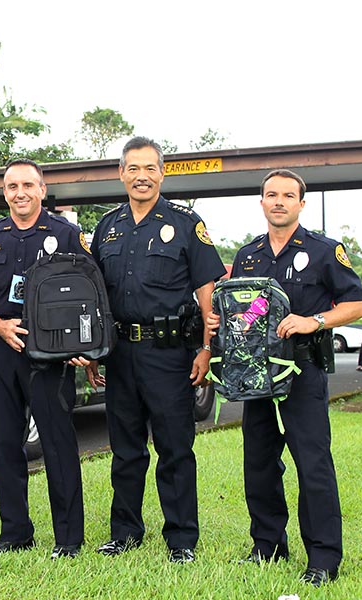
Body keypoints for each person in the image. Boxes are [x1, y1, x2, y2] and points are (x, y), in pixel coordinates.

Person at [207, 169, 362, 586]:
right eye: (271, 194)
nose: (279, 201)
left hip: (303, 372)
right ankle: (268, 546)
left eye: (288, 195)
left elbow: (357, 305)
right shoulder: (249, 254)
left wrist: (314, 320)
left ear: (301, 203)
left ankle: (324, 558)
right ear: (261, 202)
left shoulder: (324, 250)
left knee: (313, 466)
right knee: (259, 464)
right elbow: (248, 311)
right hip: (256, 374)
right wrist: (222, 319)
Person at [87, 136, 225, 564]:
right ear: (121, 173)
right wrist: (93, 350)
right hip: (119, 353)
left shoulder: (185, 222)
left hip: (169, 353)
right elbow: (94, 293)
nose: (141, 176)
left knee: (175, 448)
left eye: (150, 168)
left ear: (162, 173)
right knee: (125, 449)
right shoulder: (107, 226)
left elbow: (206, 288)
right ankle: (125, 533)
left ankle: (181, 539)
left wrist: (206, 348)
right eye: (133, 168)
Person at [0, 158, 90, 558]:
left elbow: (89, 289)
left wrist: (81, 344)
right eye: (13, 186)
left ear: (42, 190)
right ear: (5, 193)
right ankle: (15, 534)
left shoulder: (66, 234)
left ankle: (68, 539)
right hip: (0, 350)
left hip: (50, 353)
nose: (20, 193)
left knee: (57, 443)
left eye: (28, 185)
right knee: (4, 443)